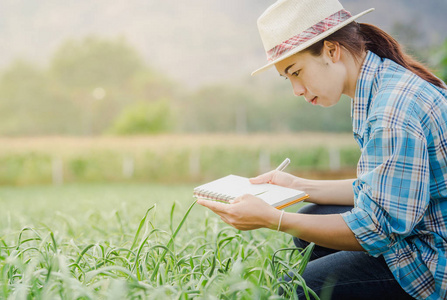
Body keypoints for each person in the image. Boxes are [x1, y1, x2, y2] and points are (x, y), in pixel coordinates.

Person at [197, 0, 447, 299]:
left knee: (296, 288)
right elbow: (383, 190)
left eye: (296, 72)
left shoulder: (390, 113)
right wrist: (299, 185)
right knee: (313, 221)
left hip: (432, 258)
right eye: (288, 78)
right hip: (420, 230)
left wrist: (274, 219)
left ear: (331, 50)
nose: (297, 90)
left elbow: (378, 228)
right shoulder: (382, 83)